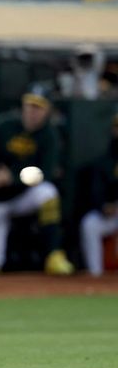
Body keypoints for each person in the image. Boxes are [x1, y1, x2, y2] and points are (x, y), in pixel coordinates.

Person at [0, 85, 74, 275]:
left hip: (21, 195)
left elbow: (45, 172)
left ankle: (53, 254)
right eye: (30, 106)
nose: (33, 112)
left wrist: (12, 178)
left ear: (48, 111)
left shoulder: (49, 134)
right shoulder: (3, 124)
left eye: (39, 107)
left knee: (47, 192)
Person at [80, 113, 118, 276]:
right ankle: (96, 276)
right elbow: (96, 191)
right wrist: (104, 206)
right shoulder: (106, 160)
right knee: (90, 224)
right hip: (112, 214)